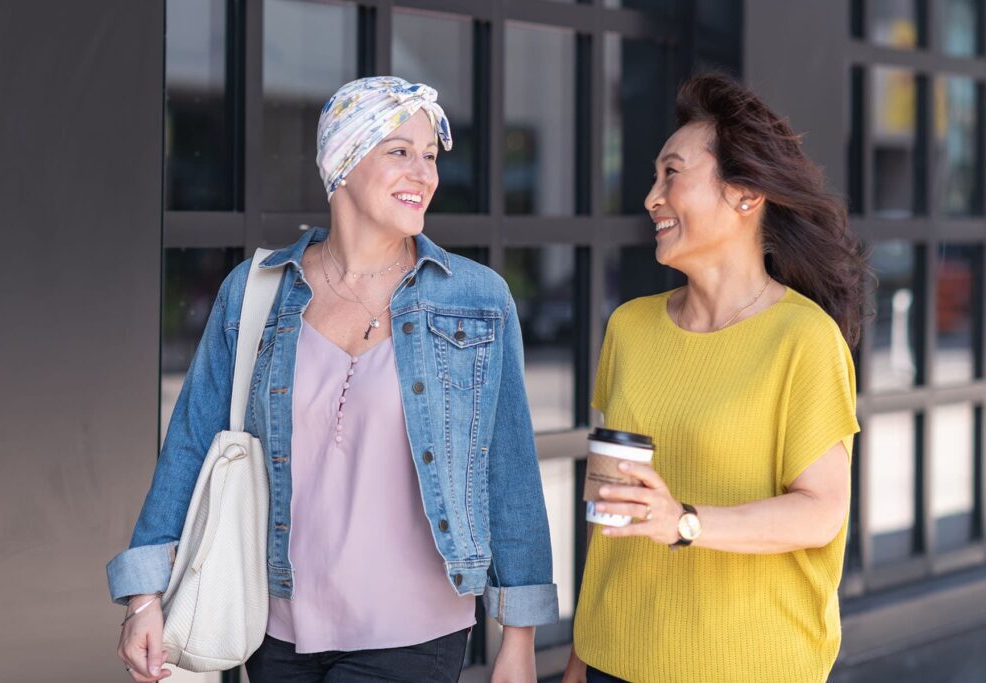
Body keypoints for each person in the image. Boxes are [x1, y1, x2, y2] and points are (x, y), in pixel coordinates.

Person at [109, 76, 558, 683]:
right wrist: (143, 597)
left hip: (416, 630)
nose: (423, 174)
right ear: (342, 161)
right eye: (399, 152)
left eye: (429, 156)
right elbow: (190, 444)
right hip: (274, 625)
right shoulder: (256, 290)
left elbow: (509, 471)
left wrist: (519, 640)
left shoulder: (476, 299)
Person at [563, 74, 868, 683]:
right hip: (613, 659)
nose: (652, 197)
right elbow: (615, 518)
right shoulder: (629, 328)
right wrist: (581, 658)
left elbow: (820, 512)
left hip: (748, 665)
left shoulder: (803, 339)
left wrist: (685, 522)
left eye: (671, 174)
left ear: (746, 193)